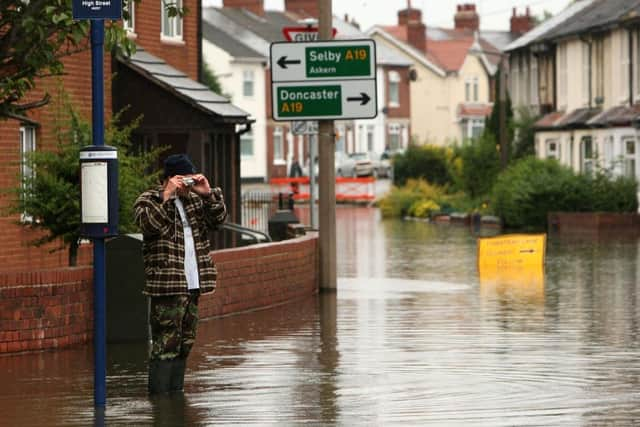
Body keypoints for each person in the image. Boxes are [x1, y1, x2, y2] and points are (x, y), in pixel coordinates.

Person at [134, 154, 227, 394]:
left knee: (185, 342)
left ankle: (175, 397)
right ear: (170, 178)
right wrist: (166, 196)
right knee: (166, 342)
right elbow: (148, 225)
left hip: (193, 283)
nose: (187, 185)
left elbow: (218, 222)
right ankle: (159, 401)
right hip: (167, 284)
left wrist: (208, 194)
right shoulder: (150, 199)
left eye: (189, 179)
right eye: (183, 180)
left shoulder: (195, 201)